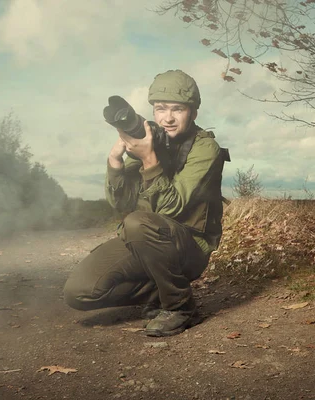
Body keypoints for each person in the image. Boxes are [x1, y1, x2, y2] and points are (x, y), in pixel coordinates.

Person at [63, 70, 229, 337]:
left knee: (137, 223)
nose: (168, 118)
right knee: (80, 292)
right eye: (161, 109)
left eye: (178, 109)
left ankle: (180, 307)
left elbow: (171, 209)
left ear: (194, 113)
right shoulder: (152, 141)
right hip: (146, 241)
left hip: (188, 247)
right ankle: (160, 293)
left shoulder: (205, 148)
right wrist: (115, 160)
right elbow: (121, 202)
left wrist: (149, 160)